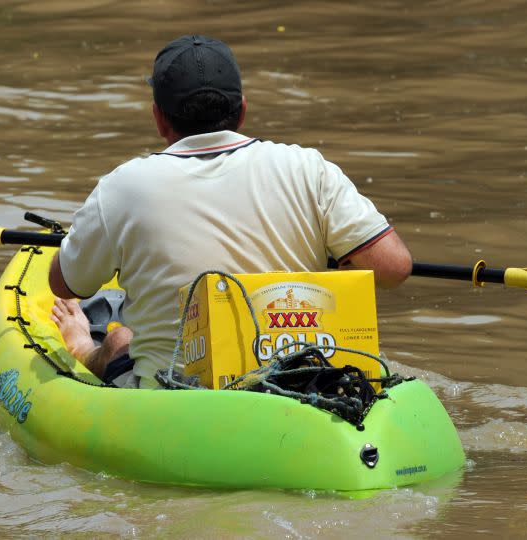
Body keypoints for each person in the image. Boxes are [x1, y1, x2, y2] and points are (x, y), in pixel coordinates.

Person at [49, 35, 412, 389]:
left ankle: (81, 346)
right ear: (241, 111)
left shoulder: (121, 186)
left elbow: (64, 284)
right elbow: (395, 268)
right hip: (301, 383)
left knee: (118, 341)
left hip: (175, 398)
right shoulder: (308, 168)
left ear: (159, 118)